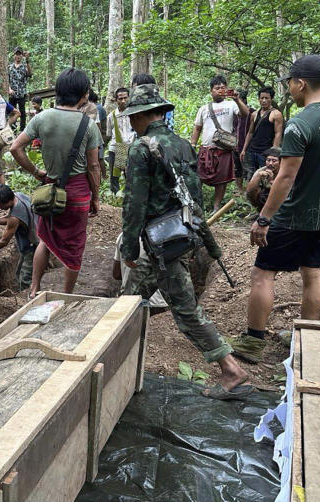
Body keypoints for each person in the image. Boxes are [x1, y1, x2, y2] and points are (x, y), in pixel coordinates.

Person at [119, 83, 251, 399]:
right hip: (178, 236)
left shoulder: (140, 149)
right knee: (129, 300)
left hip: (160, 243)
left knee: (185, 310)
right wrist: (204, 237)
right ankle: (117, 360)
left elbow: (134, 203)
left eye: (133, 117)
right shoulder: (182, 144)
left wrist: (128, 246)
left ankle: (231, 369)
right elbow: (194, 198)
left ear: (140, 116)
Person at [232, 55, 320, 363]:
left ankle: (252, 343)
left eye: (291, 85)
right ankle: (308, 344)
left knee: (262, 274)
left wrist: (264, 218)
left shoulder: (300, 123)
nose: (290, 92)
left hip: (295, 213)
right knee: (312, 274)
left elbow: (286, 176)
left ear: (301, 83)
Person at [10, 68, 101, 297]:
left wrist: (36, 172)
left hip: (50, 190)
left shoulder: (41, 118)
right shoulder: (88, 125)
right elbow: (93, 166)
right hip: (78, 193)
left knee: (46, 239)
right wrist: (96, 196)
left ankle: (34, 288)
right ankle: (66, 295)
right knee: (74, 246)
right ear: (83, 95)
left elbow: (15, 148)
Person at [191, 75, 250, 213]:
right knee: (198, 176)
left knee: (222, 180)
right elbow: (197, 127)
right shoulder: (204, 108)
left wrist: (237, 99)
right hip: (206, 149)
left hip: (223, 149)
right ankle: (198, 204)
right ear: (211, 91)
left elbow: (246, 113)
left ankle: (216, 207)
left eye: (223, 88)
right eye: (217, 88)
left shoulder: (231, 105)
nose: (220, 90)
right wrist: (192, 144)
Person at [0, 184, 37, 291]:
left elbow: (3, 242)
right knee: (19, 273)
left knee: (26, 279)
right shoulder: (18, 196)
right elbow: (10, 218)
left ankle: (29, 300)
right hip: (33, 239)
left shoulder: (15, 216)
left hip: (33, 246)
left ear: (7, 201)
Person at [241, 86, 284, 173]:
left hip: (265, 152)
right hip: (252, 150)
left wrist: (273, 153)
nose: (264, 100)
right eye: (262, 98)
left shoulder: (276, 114)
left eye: (266, 98)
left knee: (265, 177)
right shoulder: (254, 114)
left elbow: (278, 134)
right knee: (251, 177)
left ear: (271, 99)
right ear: (259, 99)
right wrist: (244, 149)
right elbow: (250, 133)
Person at [106, 87, 135, 192]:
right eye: (120, 98)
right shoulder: (111, 116)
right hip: (115, 148)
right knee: (115, 176)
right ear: (116, 100)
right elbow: (109, 134)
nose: (123, 101)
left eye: (125, 98)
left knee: (130, 175)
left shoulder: (134, 114)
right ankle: (115, 196)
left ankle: (129, 196)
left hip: (131, 147)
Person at [245, 147, 281, 211]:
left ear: (280, 162)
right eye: (268, 160)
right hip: (266, 198)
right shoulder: (261, 170)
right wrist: (258, 176)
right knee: (253, 192)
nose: (270, 163)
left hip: (281, 198)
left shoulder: (284, 172)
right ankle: (260, 210)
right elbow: (249, 190)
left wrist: (271, 181)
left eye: (274, 161)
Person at [8, 47, 32, 131]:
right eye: (16, 54)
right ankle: (12, 129)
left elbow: (29, 74)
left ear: (22, 56)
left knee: (22, 112)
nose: (18, 56)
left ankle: (22, 130)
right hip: (12, 94)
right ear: (14, 55)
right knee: (12, 112)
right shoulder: (10, 67)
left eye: (19, 54)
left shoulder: (24, 67)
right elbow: (7, 80)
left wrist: (27, 60)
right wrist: (9, 89)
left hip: (21, 93)